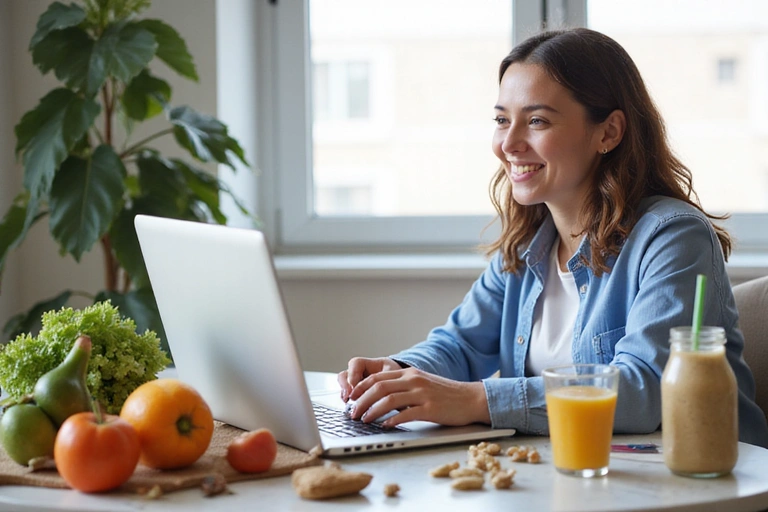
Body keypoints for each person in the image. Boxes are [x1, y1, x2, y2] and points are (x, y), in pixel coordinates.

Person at [337, 28, 768, 447]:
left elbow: (646, 389)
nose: (508, 144)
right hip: (577, 474)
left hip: (699, 477)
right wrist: (396, 372)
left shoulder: (671, 237)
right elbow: (461, 344)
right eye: (502, 120)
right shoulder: (528, 246)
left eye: (537, 121)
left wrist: (475, 400)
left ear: (608, 132)